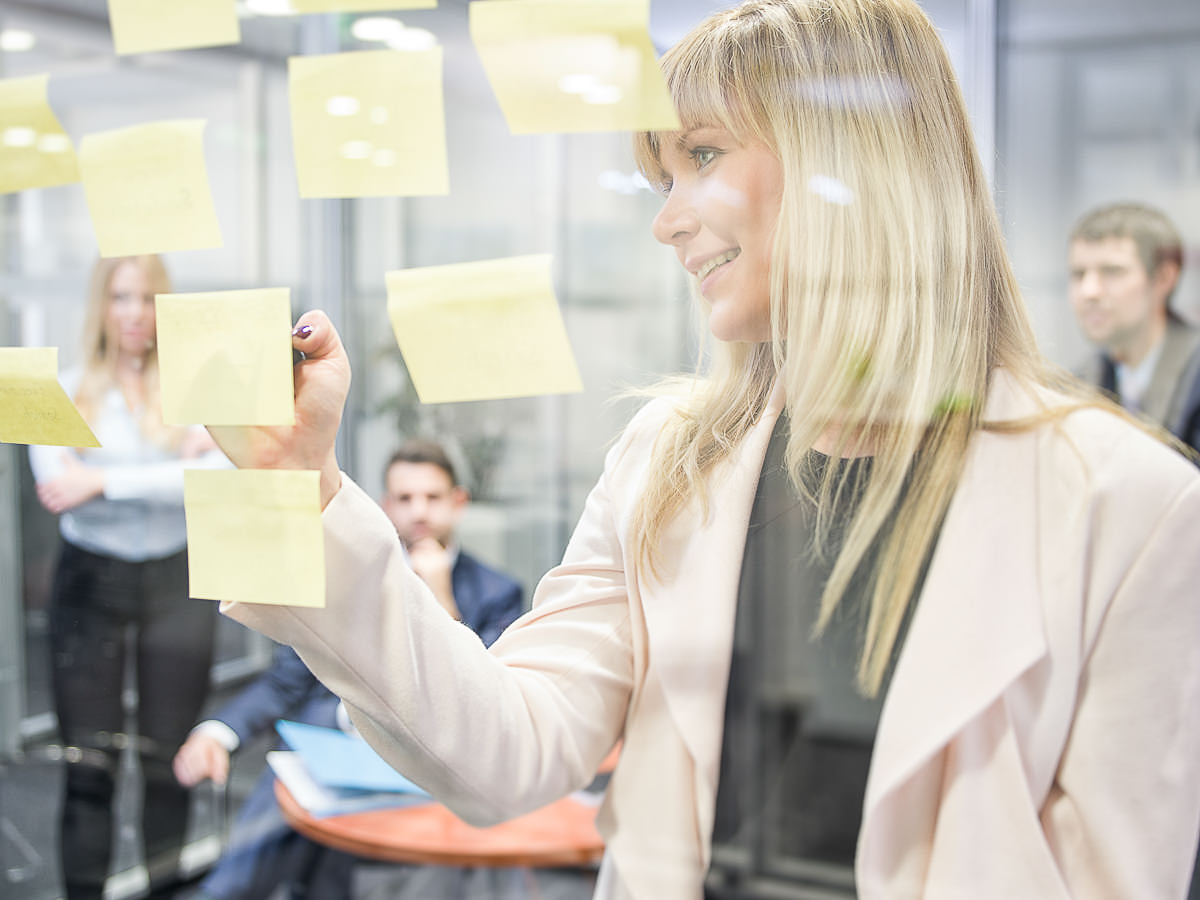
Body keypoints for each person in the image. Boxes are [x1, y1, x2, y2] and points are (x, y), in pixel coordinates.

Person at [207, 1, 1200, 897]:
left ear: (847, 161)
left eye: (705, 157)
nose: (666, 221)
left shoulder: (1134, 507)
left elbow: (1116, 877)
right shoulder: (669, 457)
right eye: (662, 175)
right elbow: (505, 752)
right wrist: (309, 495)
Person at [172, 439, 523, 900]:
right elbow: (288, 676)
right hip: (330, 746)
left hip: (429, 766)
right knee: (243, 871)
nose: (418, 511)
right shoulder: (350, 576)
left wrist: (439, 595)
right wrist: (218, 731)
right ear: (384, 506)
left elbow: (482, 698)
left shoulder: (498, 593)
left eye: (432, 498)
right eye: (404, 498)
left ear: (459, 503)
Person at [28, 255, 227, 899]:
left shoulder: (196, 391)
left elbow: (218, 479)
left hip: (177, 581)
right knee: (89, 769)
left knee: (168, 763)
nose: (136, 313)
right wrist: (169, 471)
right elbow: (56, 487)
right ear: (101, 306)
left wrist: (104, 479)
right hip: (90, 585)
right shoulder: (61, 390)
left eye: (147, 297)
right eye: (121, 297)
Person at [1068, 201, 1200, 453]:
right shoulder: (1079, 383)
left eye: (1112, 272)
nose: (1089, 291)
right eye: (1078, 274)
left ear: (1164, 278)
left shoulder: (1195, 377)